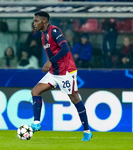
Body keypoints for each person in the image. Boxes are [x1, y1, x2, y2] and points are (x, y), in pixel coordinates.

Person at [31, 11, 92, 141]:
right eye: (34, 21)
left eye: (36, 21)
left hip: (66, 71)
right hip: (54, 72)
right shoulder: (43, 36)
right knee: (35, 91)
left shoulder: (54, 31)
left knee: (75, 99)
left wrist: (49, 61)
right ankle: (36, 123)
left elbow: (65, 49)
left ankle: (87, 131)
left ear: (44, 21)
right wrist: (51, 64)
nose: (34, 23)